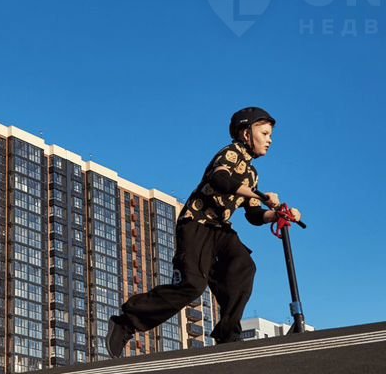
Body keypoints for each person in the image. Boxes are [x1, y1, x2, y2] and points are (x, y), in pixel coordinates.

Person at [106, 106, 301, 357]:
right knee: (191, 286)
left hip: (220, 230)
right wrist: (261, 196)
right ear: (245, 133)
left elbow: (254, 215)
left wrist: (279, 214)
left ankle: (228, 335)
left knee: (243, 267)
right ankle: (126, 322)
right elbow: (220, 180)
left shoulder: (252, 175)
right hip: (196, 224)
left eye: (270, 135)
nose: (269, 140)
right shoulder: (230, 154)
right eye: (264, 133)